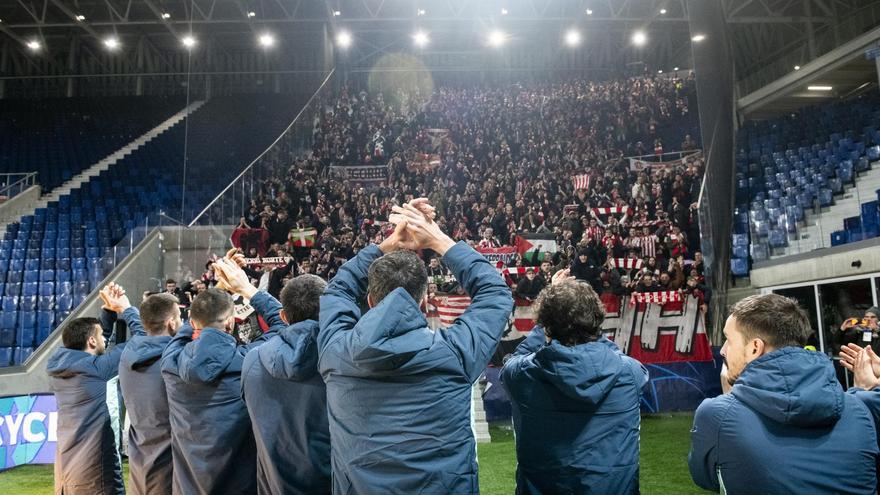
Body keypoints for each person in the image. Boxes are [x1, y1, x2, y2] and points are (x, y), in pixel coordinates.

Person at [317, 199, 513, 494]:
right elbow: (495, 292)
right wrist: (438, 239)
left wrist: (387, 244)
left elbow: (338, 289)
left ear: (370, 301)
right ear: (423, 302)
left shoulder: (336, 352)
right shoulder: (455, 354)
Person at [688, 294, 879, 494]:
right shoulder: (862, 408)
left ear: (755, 348)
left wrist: (730, 396)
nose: (723, 351)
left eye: (728, 339)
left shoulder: (716, 416)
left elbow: (707, 478)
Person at [502, 272, 648, 494]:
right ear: (596, 320)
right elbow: (609, 353)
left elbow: (516, 358)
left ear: (545, 327)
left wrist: (553, 303)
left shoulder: (520, 374)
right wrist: (582, 319)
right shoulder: (630, 373)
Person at [161, 277, 280, 494]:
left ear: (194, 323)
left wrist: (215, 294)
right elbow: (281, 324)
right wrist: (247, 289)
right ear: (230, 323)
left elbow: (186, 329)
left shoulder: (170, 362)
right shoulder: (248, 360)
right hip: (240, 486)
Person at [47, 283, 144, 495]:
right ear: (91, 340)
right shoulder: (97, 370)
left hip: (67, 472)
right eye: (100, 336)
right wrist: (126, 309)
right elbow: (143, 340)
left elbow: (94, 347)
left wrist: (108, 311)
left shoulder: (60, 365)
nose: (104, 339)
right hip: (96, 476)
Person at [241, 272, 332, 495]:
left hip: (275, 485)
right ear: (330, 309)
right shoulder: (342, 358)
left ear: (283, 316)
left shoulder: (252, 360)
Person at [116, 293, 181, 495]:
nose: (183, 321)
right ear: (171, 323)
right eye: (180, 316)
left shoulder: (128, 353)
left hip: (140, 467)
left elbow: (140, 328)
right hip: (168, 472)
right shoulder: (176, 360)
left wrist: (127, 308)